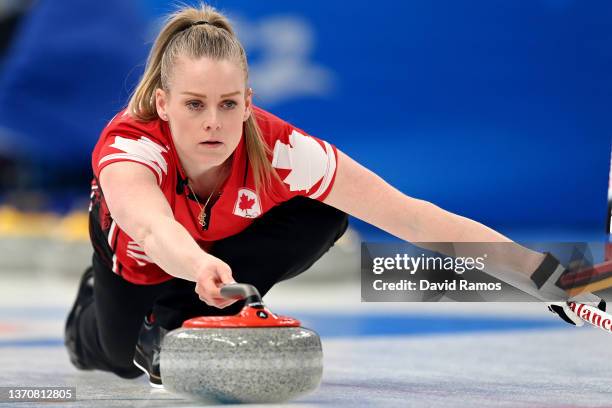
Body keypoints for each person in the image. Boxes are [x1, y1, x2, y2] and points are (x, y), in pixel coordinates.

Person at [64, 4, 604, 388]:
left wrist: (548, 277)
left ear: (249, 101)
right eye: (194, 104)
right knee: (116, 358)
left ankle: (178, 310)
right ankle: (107, 309)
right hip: (135, 259)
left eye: (229, 104)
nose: (213, 122)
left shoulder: (285, 152)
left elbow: (417, 219)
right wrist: (199, 264)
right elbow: (155, 229)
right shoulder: (131, 147)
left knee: (325, 213)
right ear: (162, 102)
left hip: (210, 258)